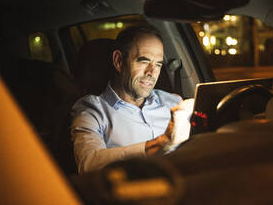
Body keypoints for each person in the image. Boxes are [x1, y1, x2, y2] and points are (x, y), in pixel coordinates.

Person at [71, 24, 193, 173]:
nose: (152, 72)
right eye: (143, 61)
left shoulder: (173, 102)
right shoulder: (91, 111)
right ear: (119, 61)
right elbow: (89, 163)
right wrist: (160, 144)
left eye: (158, 64)